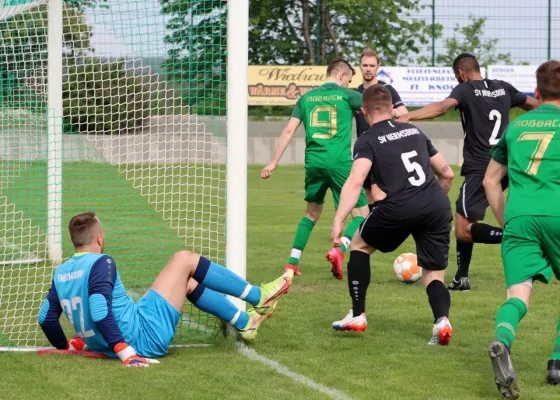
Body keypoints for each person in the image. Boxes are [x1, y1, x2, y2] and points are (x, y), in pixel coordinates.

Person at [38, 212, 292, 367]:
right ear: (100, 239)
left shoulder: (60, 272)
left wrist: (67, 346)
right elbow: (100, 310)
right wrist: (125, 352)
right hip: (142, 338)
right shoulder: (101, 262)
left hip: (124, 331)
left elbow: (46, 318)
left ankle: (245, 322)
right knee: (184, 259)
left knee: (186, 282)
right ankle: (260, 295)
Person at [397, 53, 538, 291]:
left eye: (456, 76)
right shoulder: (503, 88)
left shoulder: (465, 90)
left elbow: (442, 108)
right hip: (507, 163)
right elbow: (534, 105)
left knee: (462, 230)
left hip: (482, 168)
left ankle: (518, 239)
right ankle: (462, 277)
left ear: (461, 73)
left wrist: (409, 115)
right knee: (466, 220)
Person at [330, 84, 455, 345]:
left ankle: (357, 314)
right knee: (433, 272)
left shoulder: (367, 140)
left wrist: (339, 219)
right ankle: (442, 321)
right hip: (436, 204)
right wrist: (435, 201)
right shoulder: (414, 130)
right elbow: (447, 172)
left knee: (359, 246)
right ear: (391, 108)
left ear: (364, 112)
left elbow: (355, 182)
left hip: (399, 207)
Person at [484, 60, 560, 399]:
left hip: (518, 216)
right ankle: (557, 361)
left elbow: (490, 180)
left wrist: (508, 222)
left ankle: (502, 339)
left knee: (518, 293)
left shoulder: (515, 128)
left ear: (536, 93)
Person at [261, 58, 369, 280]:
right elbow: (377, 107)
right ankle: (339, 250)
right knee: (362, 213)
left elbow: (289, 130)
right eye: (349, 79)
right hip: (340, 163)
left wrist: (273, 162)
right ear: (341, 76)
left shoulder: (306, 98)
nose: (349, 83)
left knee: (311, 213)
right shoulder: (347, 95)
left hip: (313, 163)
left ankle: (291, 264)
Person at [355, 49, 408, 208]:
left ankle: (386, 226)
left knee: (381, 192)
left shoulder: (387, 90)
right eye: (365, 65)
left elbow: (405, 115)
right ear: (360, 67)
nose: (368, 68)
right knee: (366, 194)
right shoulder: (356, 93)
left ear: (378, 67)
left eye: (372, 65)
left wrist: (387, 111)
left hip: (384, 149)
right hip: (365, 149)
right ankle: (372, 229)